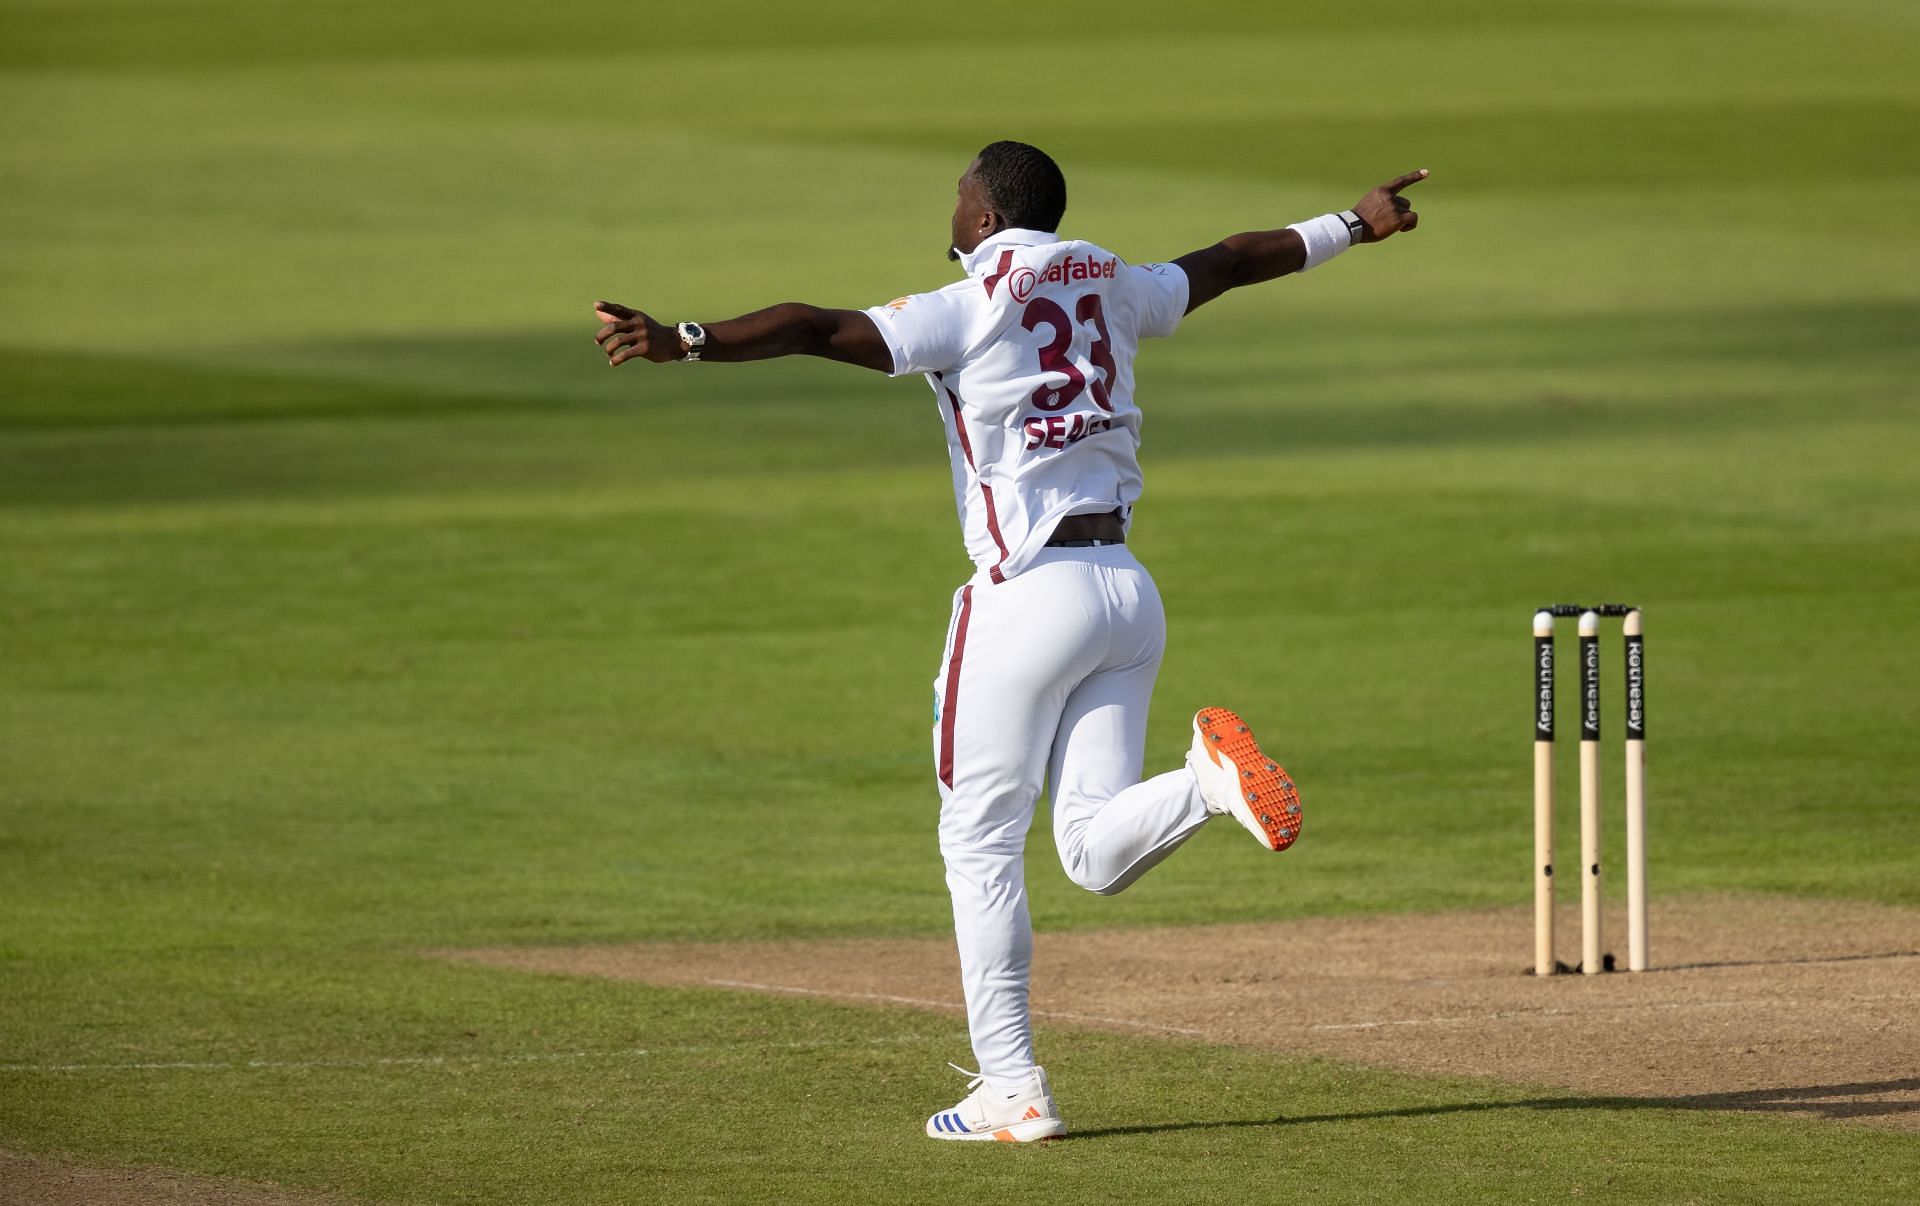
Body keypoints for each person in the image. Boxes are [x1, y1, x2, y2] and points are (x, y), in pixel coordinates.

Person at [593, 141, 1426, 1142]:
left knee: (980, 843)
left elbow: (817, 327)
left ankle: (1014, 1088)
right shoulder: (1113, 281)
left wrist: (685, 339)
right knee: (1090, 852)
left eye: (958, 197)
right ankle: (1206, 783)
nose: (949, 211)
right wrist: (1351, 224)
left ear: (986, 218)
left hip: (1025, 596)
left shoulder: (970, 302)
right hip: (1126, 592)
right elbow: (1229, 261)